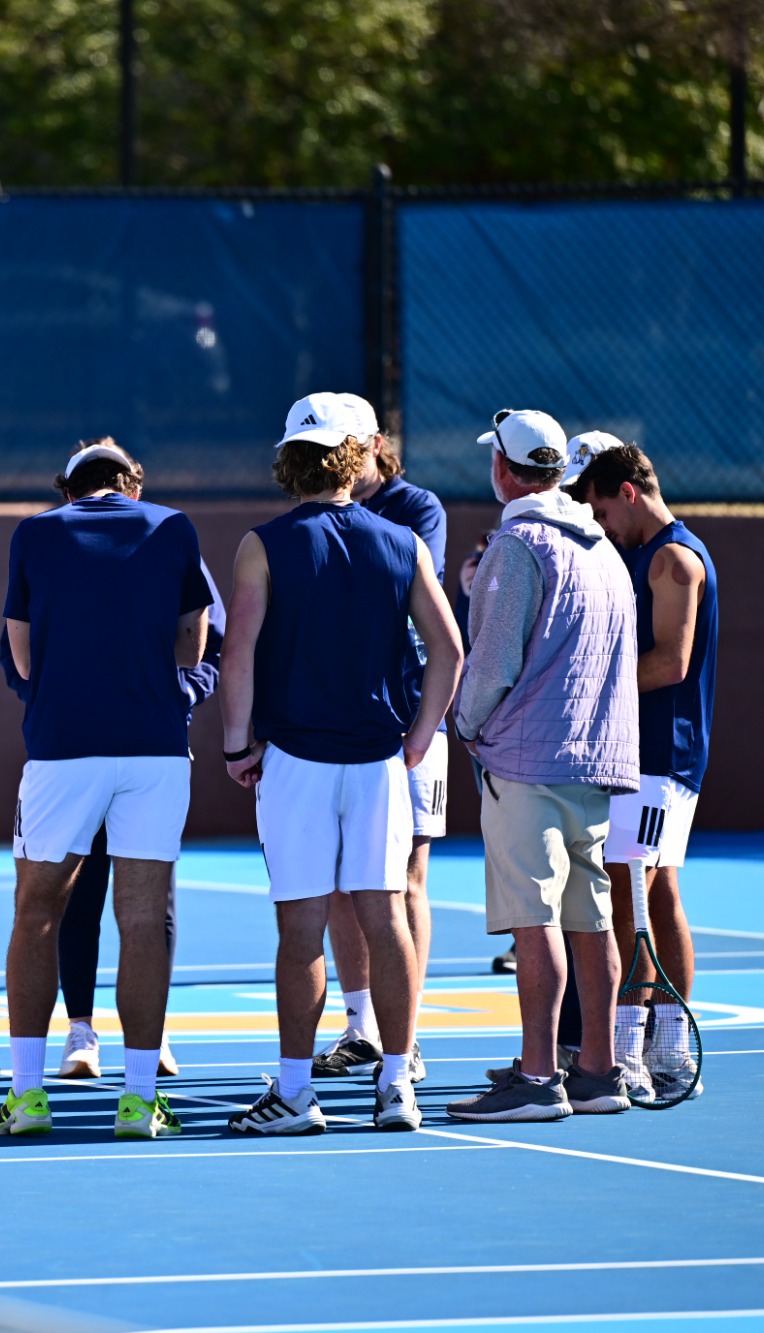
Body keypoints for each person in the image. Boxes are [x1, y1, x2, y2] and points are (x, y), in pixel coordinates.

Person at [219, 394, 462, 1135]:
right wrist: (420, 737)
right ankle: (397, 1084)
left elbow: (238, 655)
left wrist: (236, 745)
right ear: (358, 454)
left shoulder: (262, 544)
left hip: (296, 759)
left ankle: (295, 1094)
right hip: (380, 759)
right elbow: (449, 651)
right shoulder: (403, 543)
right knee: (386, 918)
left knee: (302, 930)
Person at [0, 439, 212, 1141]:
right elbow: (194, 649)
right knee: (145, 918)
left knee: (36, 912)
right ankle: (139, 1101)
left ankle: (27, 1097)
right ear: (130, 486)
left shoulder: (35, 532)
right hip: (154, 745)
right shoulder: (173, 528)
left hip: (62, 747)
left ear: (69, 487)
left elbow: (21, 655)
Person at [447, 409, 637, 1123]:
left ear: (502, 468)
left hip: (528, 759)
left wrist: (464, 723)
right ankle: (597, 1068)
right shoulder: (604, 548)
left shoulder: (518, 543)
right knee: (589, 918)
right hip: (596, 758)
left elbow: (492, 662)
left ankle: (536, 1077)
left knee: (536, 920)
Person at [576, 442, 717, 1101]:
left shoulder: (671, 558)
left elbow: (671, 662)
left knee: (631, 893)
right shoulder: (642, 554)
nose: (601, 522)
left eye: (603, 508)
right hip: (646, 753)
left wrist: (592, 693)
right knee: (654, 894)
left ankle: (634, 1050)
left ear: (627, 492)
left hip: (662, 756)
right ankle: (664, 1046)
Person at [315, 424, 453, 1083]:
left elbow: (397, 607)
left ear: (372, 443)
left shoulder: (416, 508)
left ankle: (409, 1034)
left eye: (344, 445)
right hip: (339, 725)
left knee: (406, 879)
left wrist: (421, 733)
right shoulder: (315, 507)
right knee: (341, 884)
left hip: (411, 720)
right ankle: (360, 1026)